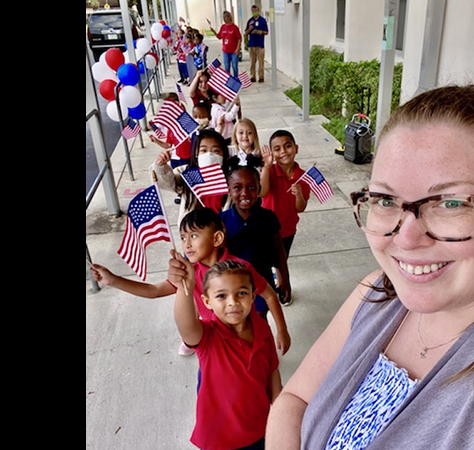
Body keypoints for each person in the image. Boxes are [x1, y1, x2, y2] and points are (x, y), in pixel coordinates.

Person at [265, 82, 474, 450]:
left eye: (450, 203)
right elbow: (294, 400)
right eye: (385, 199)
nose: (406, 238)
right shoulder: (377, 293)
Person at [89, 207, 291, 356]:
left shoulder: (240, 268)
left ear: (217, 238)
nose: (186, 244)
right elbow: (153, 291)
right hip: (213, 347)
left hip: (247, 340)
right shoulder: (190, 274)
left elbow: (269, 295)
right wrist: (113, 280)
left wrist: (282, 331)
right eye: (183, 237)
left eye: (194, 236)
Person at [168, 258, 282, 450]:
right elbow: (186, 325)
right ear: (207, 302)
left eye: (242, 293)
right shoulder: (207, 336)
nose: (233, 302)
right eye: (221, 296)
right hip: (220, 440)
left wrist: (282, 413)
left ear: (253, 297)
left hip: (260, 430)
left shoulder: (262, 328)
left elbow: (271, 372)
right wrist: (183, 289)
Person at [221, 155, 292, 311]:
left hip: (262, 284)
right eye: (238, 188)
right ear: (229, 189)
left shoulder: (268, 218)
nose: (245, 193)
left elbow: (279, 250)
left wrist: (285, 279)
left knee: (260, 318)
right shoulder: (221, 222)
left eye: (251, 187)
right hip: (232, 287)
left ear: (259, 188)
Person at [151, 129, 230, 227]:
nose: (209, 154)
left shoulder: (231, 177)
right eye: (204, 150)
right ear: (196, 154)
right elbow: (169, 183)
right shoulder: (187, 173)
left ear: (224, 154)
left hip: (221, 229)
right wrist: (161, 166)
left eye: (216, 151)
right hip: (193, 230)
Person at [260, 130, 311, 260]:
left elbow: (300, 208)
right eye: (277, 149)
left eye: (287, 146)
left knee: (281, 261)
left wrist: (299, 194)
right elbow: (262, 192)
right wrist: (266, 167)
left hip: (287, 230)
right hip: (266, 229)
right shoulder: (270, 172)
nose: (283, 151)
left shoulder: (303, 177)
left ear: (296, 148)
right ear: (272, 153)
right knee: (265, 262)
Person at [148, 92, 192, 169]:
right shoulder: (171, 129)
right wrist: (156, 140)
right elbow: (168, 145)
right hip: (175, 157)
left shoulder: (189, 125)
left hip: (187, 157)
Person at [208, 11, 242, 77]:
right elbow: (219, 37)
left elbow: (239, 39)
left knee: (234, 66)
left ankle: (236, 79)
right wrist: (214, 32)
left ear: (229, 17)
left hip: (234, 51)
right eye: (223, 17)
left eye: (225, 17)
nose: (224, 19)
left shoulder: (234, 27)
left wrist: (238, 49)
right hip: (225, 51)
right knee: (227, 66)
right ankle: (228, 79)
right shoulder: (223, 27)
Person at [244, 4, 268, 82]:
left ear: (258, 11)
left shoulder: (262, 20)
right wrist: (250, 29)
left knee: (261, 62)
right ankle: (252, 76)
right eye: (253, 11)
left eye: (255, 10)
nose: (254, 12)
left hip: (260, 44)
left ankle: (261, 77)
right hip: (252, 44)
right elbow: (245, 33)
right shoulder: (250, 21)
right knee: (252, 62)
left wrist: (260, 32)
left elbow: (266, 32)